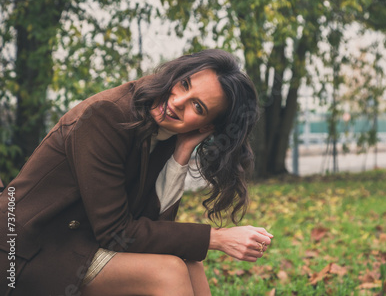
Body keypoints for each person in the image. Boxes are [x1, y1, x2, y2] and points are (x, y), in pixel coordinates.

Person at [0, 49, 273, 296]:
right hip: (26, 250)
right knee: (167, 271)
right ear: (176, 74)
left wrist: (181, 154)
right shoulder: (106, 115)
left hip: (77, 242)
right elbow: (117, 232)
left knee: (191, 262)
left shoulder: (166, 129)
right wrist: (217, 238)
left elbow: (152, 225)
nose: (179, 101)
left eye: (197, 107)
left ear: (206, 127)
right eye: (184, 84)